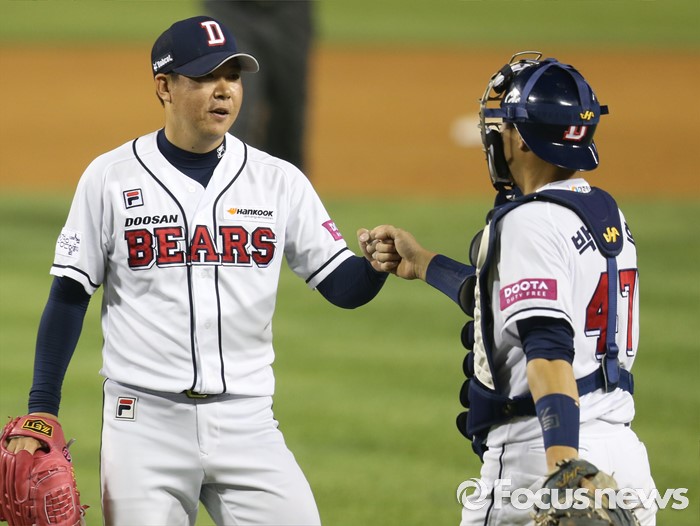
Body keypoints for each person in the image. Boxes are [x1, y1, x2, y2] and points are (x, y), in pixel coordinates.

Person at [6, 16, 388, 525]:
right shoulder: (110, 177)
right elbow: (69, 295)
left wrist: (377, 265)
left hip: (248, 421)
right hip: (142, 426)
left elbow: (341, 285)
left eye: (233, 76)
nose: (224, 90)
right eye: (206, 77)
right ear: (164, 86)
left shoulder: (279, 181)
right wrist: (42, 406)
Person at [361, 52, 657, 525]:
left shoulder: (527, 222)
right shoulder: (604, 214)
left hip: (541, 456)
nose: (495, 136)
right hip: (624, 461)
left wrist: (565, 470)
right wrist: (424, 263)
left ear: (521, 137)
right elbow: (504, 302)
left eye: (502, 126)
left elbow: (548, 349)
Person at [203, 0, 314, 172]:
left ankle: (285, 185)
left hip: (289, 11)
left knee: (288, 115)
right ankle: (227, 183)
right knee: (233, 104)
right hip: (231, 10)